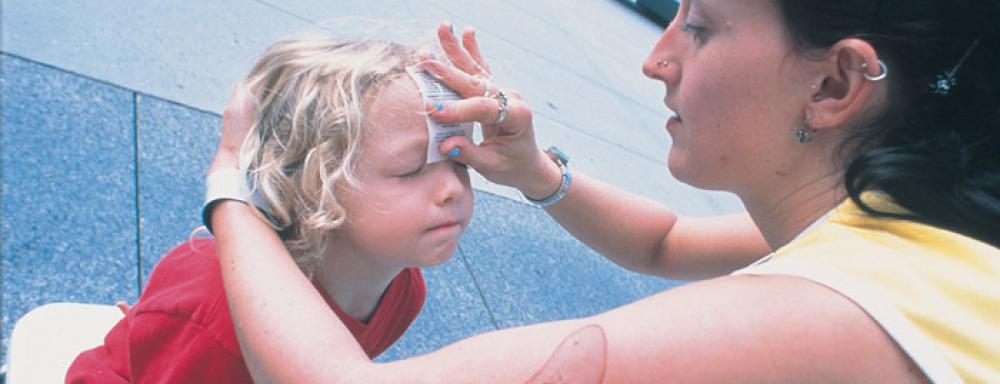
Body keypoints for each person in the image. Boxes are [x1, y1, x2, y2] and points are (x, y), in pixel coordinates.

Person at [208, 0, 1000, 382]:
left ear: (834, 83)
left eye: (700, 25)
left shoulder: (824, 317)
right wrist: (535, 173)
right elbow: (666, 244)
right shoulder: (923, 224)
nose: (654, 59)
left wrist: (235, 183)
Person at [65, 33, 475, 383]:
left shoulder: (402, 288)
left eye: (459, 159)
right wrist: (167, 328)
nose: (453, 187)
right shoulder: (213, 313)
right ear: (314, 184)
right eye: (411, 169)